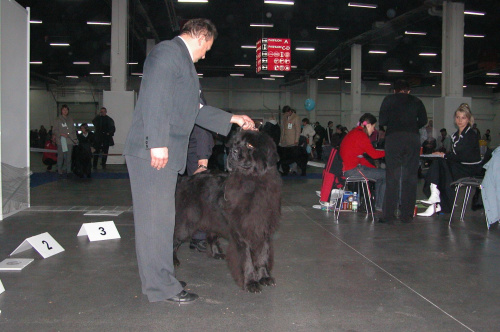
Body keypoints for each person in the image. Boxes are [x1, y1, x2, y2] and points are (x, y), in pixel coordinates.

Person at [123, 18, 255, 304]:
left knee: (163, 220)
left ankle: (163, 278)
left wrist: (232, 119)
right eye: (207, 47)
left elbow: (195, 110)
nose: (206, 53)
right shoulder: (168, 54)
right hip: (153, 152)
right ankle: (160, 287)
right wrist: (156, 143)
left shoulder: (182, 63)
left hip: (162, 153)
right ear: (201, 35)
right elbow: (154, 99)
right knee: (153, 222)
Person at [418, 103, 482, 216]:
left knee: (441, 164)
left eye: (463, 118)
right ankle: (436, 200)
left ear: (468, 119)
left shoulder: (471, 134)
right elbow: (455, 155)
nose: (460, 120)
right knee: (439, 164)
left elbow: (463, 156)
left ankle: (435, 197)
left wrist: (444, 156)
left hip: (470, 168)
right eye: (457, 117)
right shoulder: (455, 135)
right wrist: (443, 155)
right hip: (459, 165)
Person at [379, 79, 428, 224]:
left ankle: (389, 215)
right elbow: (424, 120)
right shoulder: (417, 101)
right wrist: (411, 125)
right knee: (410, 177)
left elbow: (382, 121)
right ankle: (406, 215)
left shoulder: (388, 100)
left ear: (394, 90)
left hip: (394, 138)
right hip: (412, 138)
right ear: (409, 90)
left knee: (392, 176)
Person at [340, 113, 386, 212]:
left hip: (349, 169)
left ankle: (379, 205)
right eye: (373, 127)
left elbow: (360, 158)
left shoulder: (354, 133)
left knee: (380, 174)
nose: (373, 130)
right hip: (353, 170)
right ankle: (380, 205)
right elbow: (373, 154)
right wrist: (388, 152)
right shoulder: (361, 135)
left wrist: (374, 170)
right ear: (368, 125)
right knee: (387, 174)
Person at [53, 104, 77, 177]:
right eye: (64, 110)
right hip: (61, 141)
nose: (65, 111)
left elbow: (73, 130)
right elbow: (54, 130)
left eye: (66, 110)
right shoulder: (58, 119)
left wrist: (75, 140)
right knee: (61, 156)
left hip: (69, 141)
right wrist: (61, 134)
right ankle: (59, 170)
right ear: (61, 111)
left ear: (68, 111)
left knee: (68, 157)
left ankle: (68, 170)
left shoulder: (71, 119)